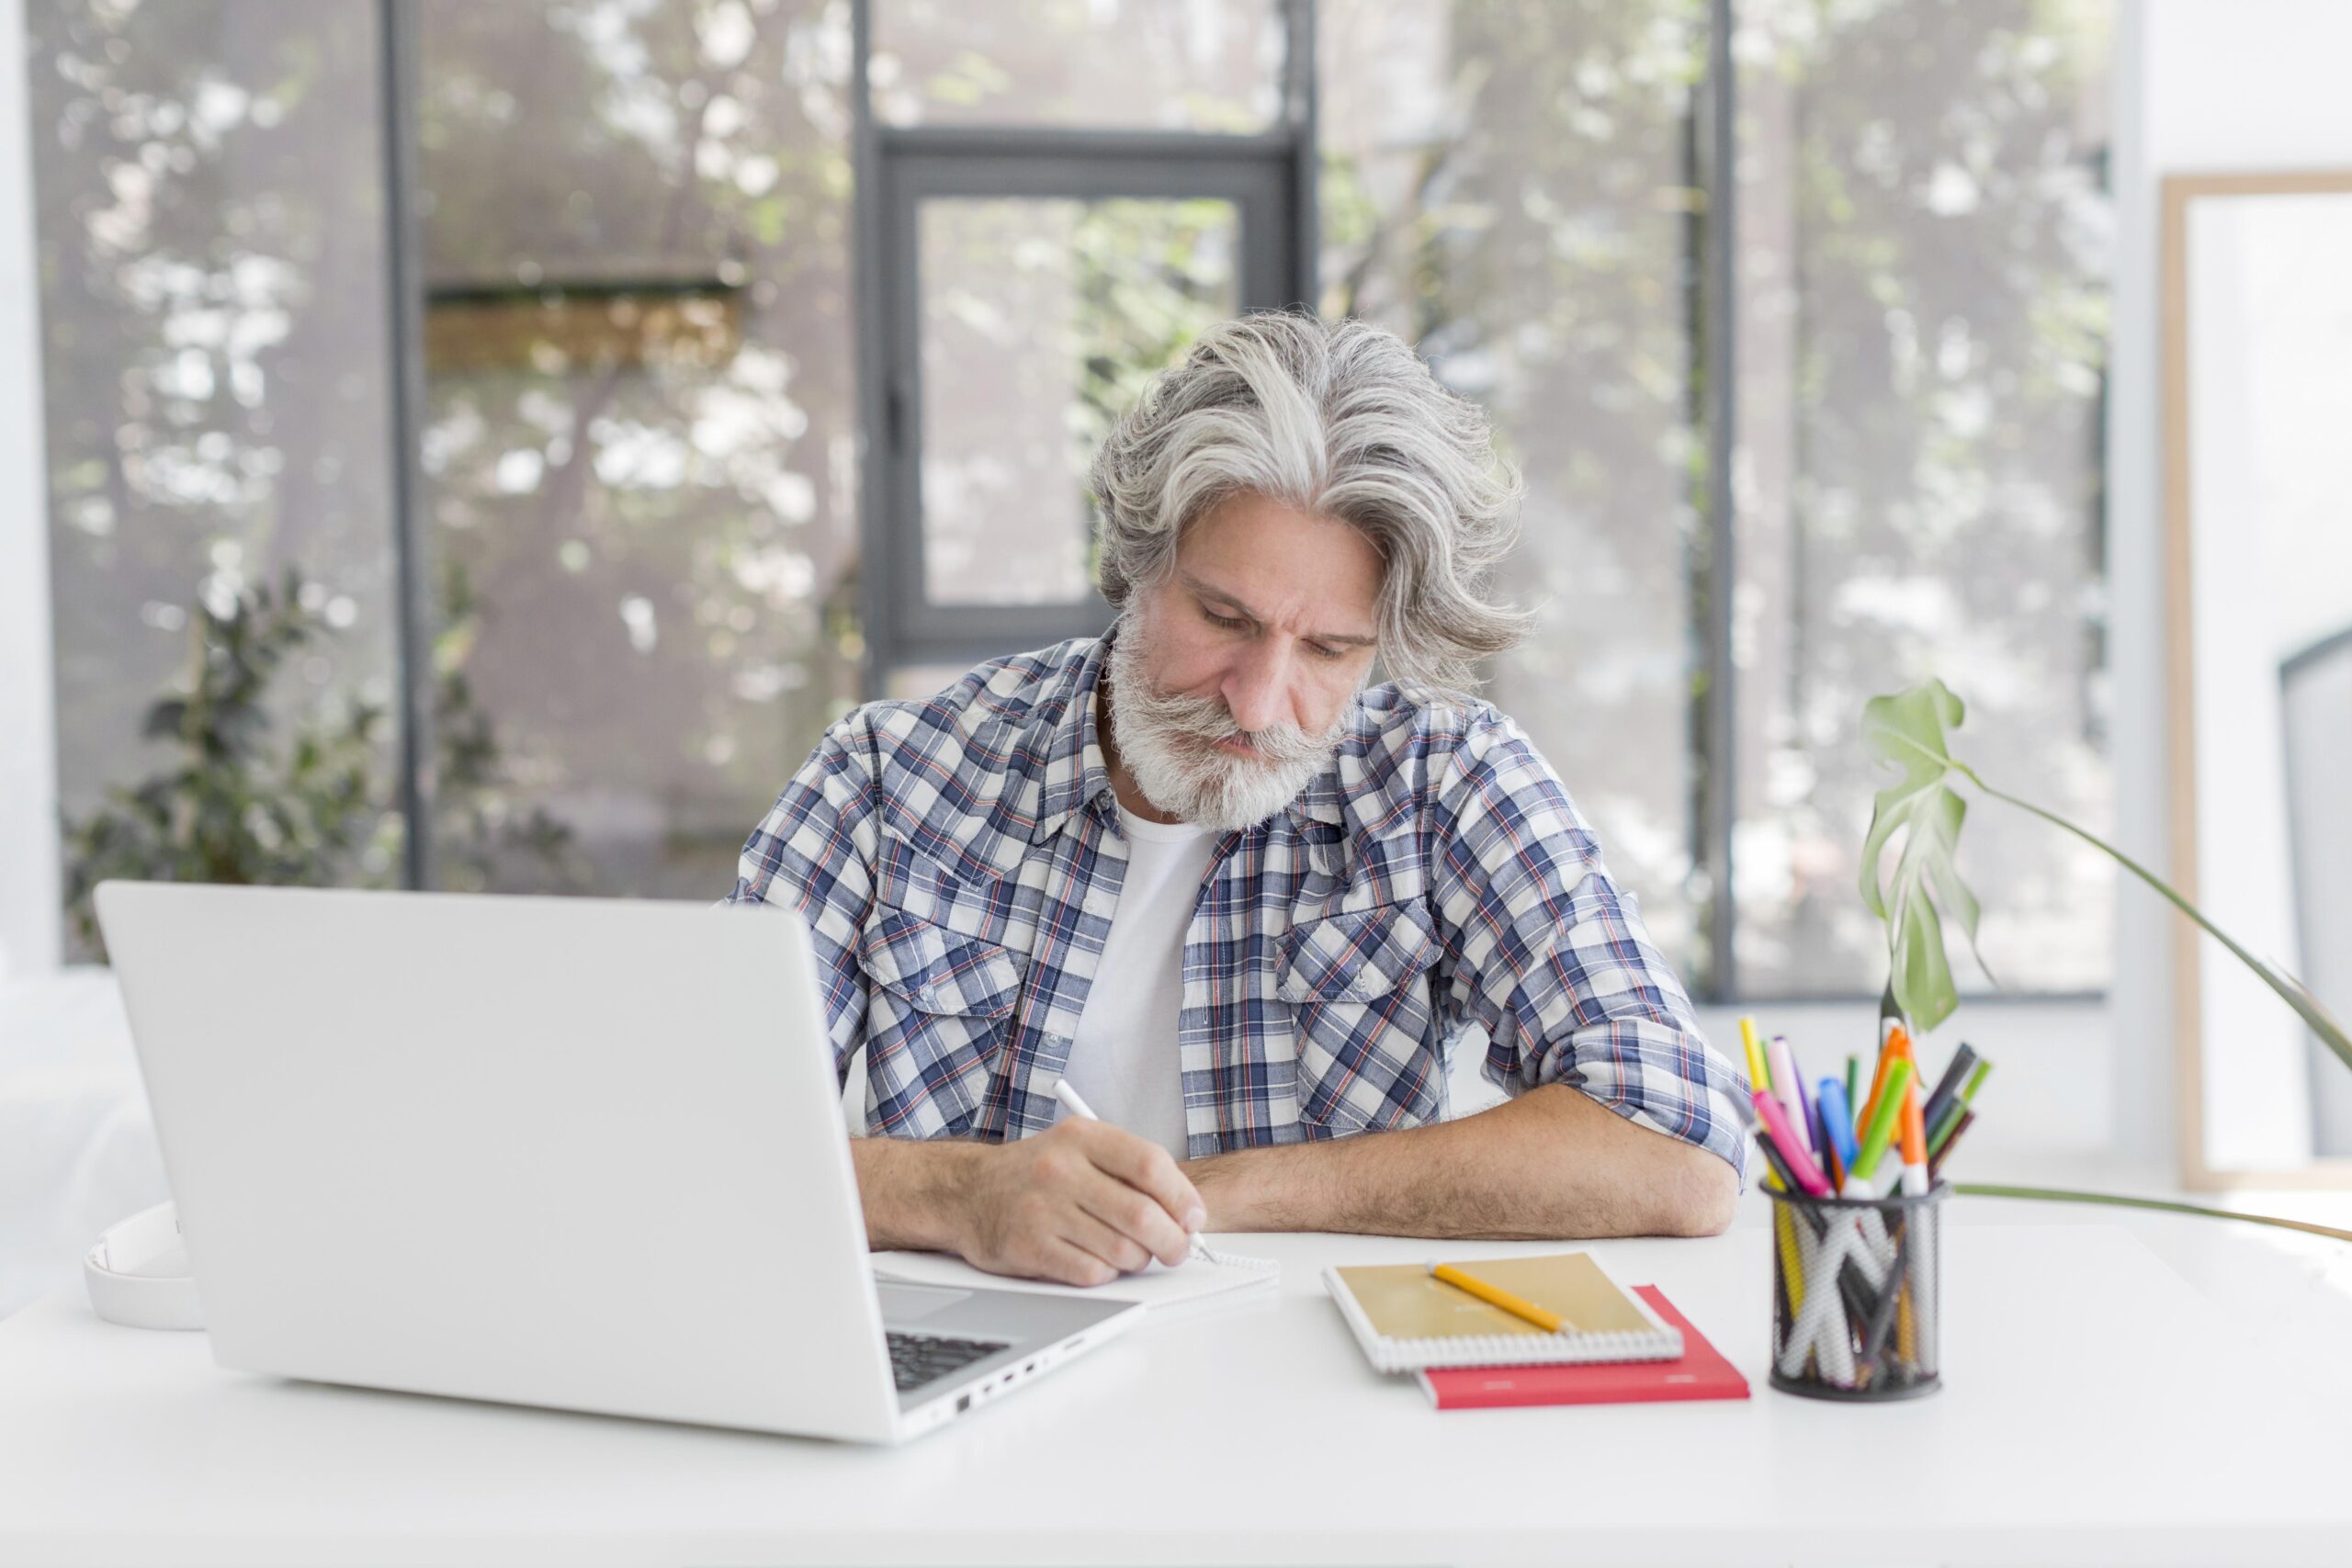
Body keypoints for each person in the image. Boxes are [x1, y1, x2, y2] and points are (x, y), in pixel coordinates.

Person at [727, 311, 1747, 1287]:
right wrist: (962, 1195)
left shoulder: (1444, 778)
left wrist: (1211, 1194)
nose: (1258, 703)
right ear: (1137, 563)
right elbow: (696, 1137)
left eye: (1330, 649)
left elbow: (1679, 1146)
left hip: (1311, 1380)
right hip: (982, 1376)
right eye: (1223, 618)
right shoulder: (889, 778)